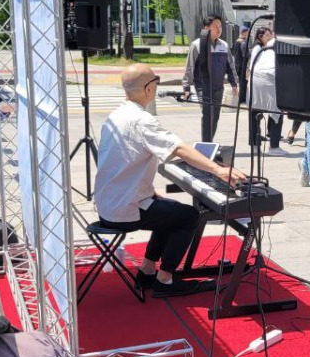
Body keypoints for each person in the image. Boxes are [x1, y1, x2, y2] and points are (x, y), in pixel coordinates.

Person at [95, 63, 247, 296]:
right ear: (148, 88)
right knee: (188, 216)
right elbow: (179, 149)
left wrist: (147, 191)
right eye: (155, 82)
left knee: (170, 211)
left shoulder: (115, 116)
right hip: (123, 210)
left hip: (108, 203)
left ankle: (146, 272)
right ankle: (165, 280)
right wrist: (218, 170)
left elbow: (121, 164)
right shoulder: (141, 120)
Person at [182, 15, 237, 142]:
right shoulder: (196, 45)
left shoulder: (224, 45)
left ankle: (209, 142)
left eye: (220, 26)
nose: (219, 29)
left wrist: (234, 83)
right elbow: (189, 67)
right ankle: (206, 144)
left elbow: (230, 65)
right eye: (215, 27)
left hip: (218, 87)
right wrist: (186, 87)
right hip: (203, 87)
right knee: (207, 114)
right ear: (206, 28)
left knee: (215, 116)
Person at [247, 26, 283, 154]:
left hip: (255, 81)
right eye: (266, 35)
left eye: (270, 34)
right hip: (268, 81)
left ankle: (255, 146)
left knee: (254, 113)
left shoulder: (265, 48)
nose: (269, 37)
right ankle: (274, 146)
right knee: (276, 112)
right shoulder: (265, 47)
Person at [233, 24, 251, 103]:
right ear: (244, 33)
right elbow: (245, 55)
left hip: (237, 64)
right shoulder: (243, 42)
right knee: (243, 82)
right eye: (248, 33)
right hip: (242, 65)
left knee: (241, 82)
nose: (248, 34)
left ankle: (241, 98)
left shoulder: (237, 41)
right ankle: (241, 99)